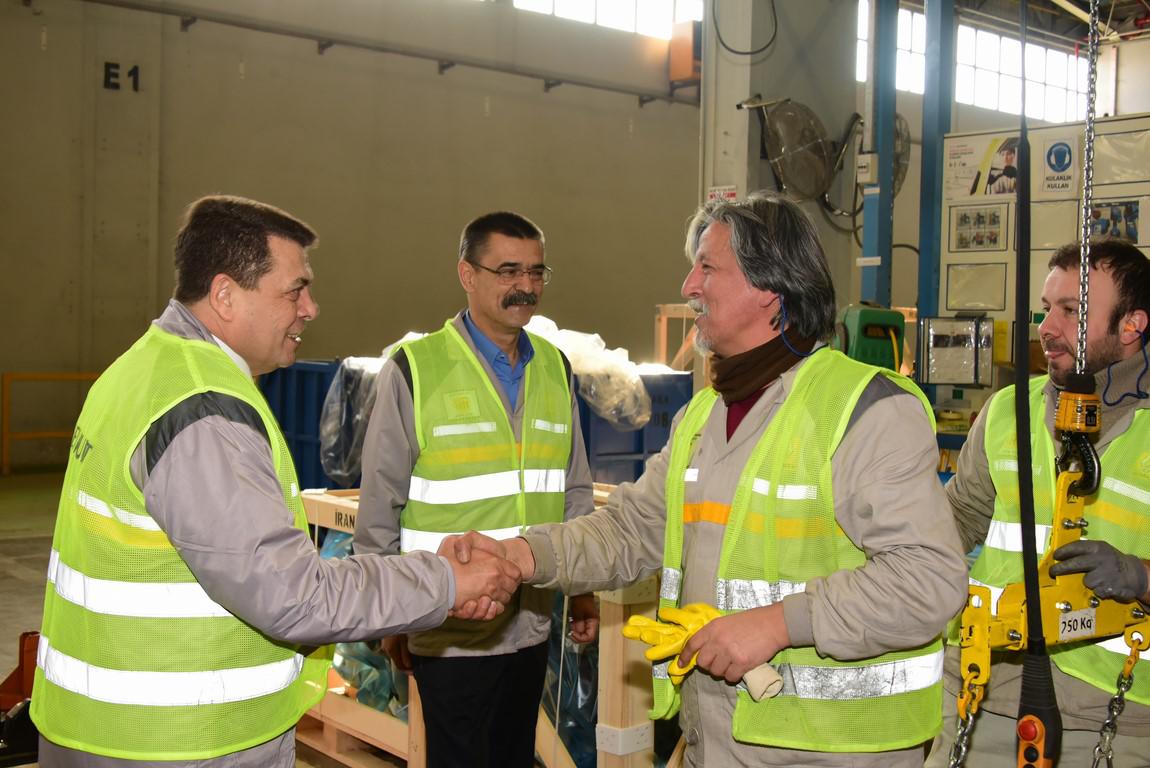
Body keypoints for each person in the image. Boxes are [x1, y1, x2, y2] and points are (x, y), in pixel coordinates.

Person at [451, 193, 969, 767]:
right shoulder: (704, 415)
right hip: (715, 741)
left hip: (834, 752)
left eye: (707, 267)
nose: (688, 286)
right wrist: (520, 555)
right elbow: (630, 529)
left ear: (769, 286)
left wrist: (777, 625)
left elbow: (928, 579)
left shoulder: (865, 411)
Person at [30, 196, 521, 768]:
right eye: (295, 290)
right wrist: (445, 581)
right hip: (180, 741)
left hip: (109, 729)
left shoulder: (146, 369)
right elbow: (293, 596)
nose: (311, 308)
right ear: (225, 295)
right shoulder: (203, 412)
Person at [355, 211, 599, 768]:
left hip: (530, 622)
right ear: (467, 274)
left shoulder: (555, 369)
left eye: (536, 272)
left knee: (513, 756)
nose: (525, 286)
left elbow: (575, 489)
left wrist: (582, 586)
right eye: (508, 271)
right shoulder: (416, 370)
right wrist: (387, 613)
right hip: (448, 625)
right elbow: (380, 502)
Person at [928, 238, 1150, 766]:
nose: (1047, 328)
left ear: (1131, 325)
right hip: (980, 691)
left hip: (1111, 715)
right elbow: (952, 523)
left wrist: (1141, 576)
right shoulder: (1009, 411)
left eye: (1071, 311)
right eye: (1046, 309)